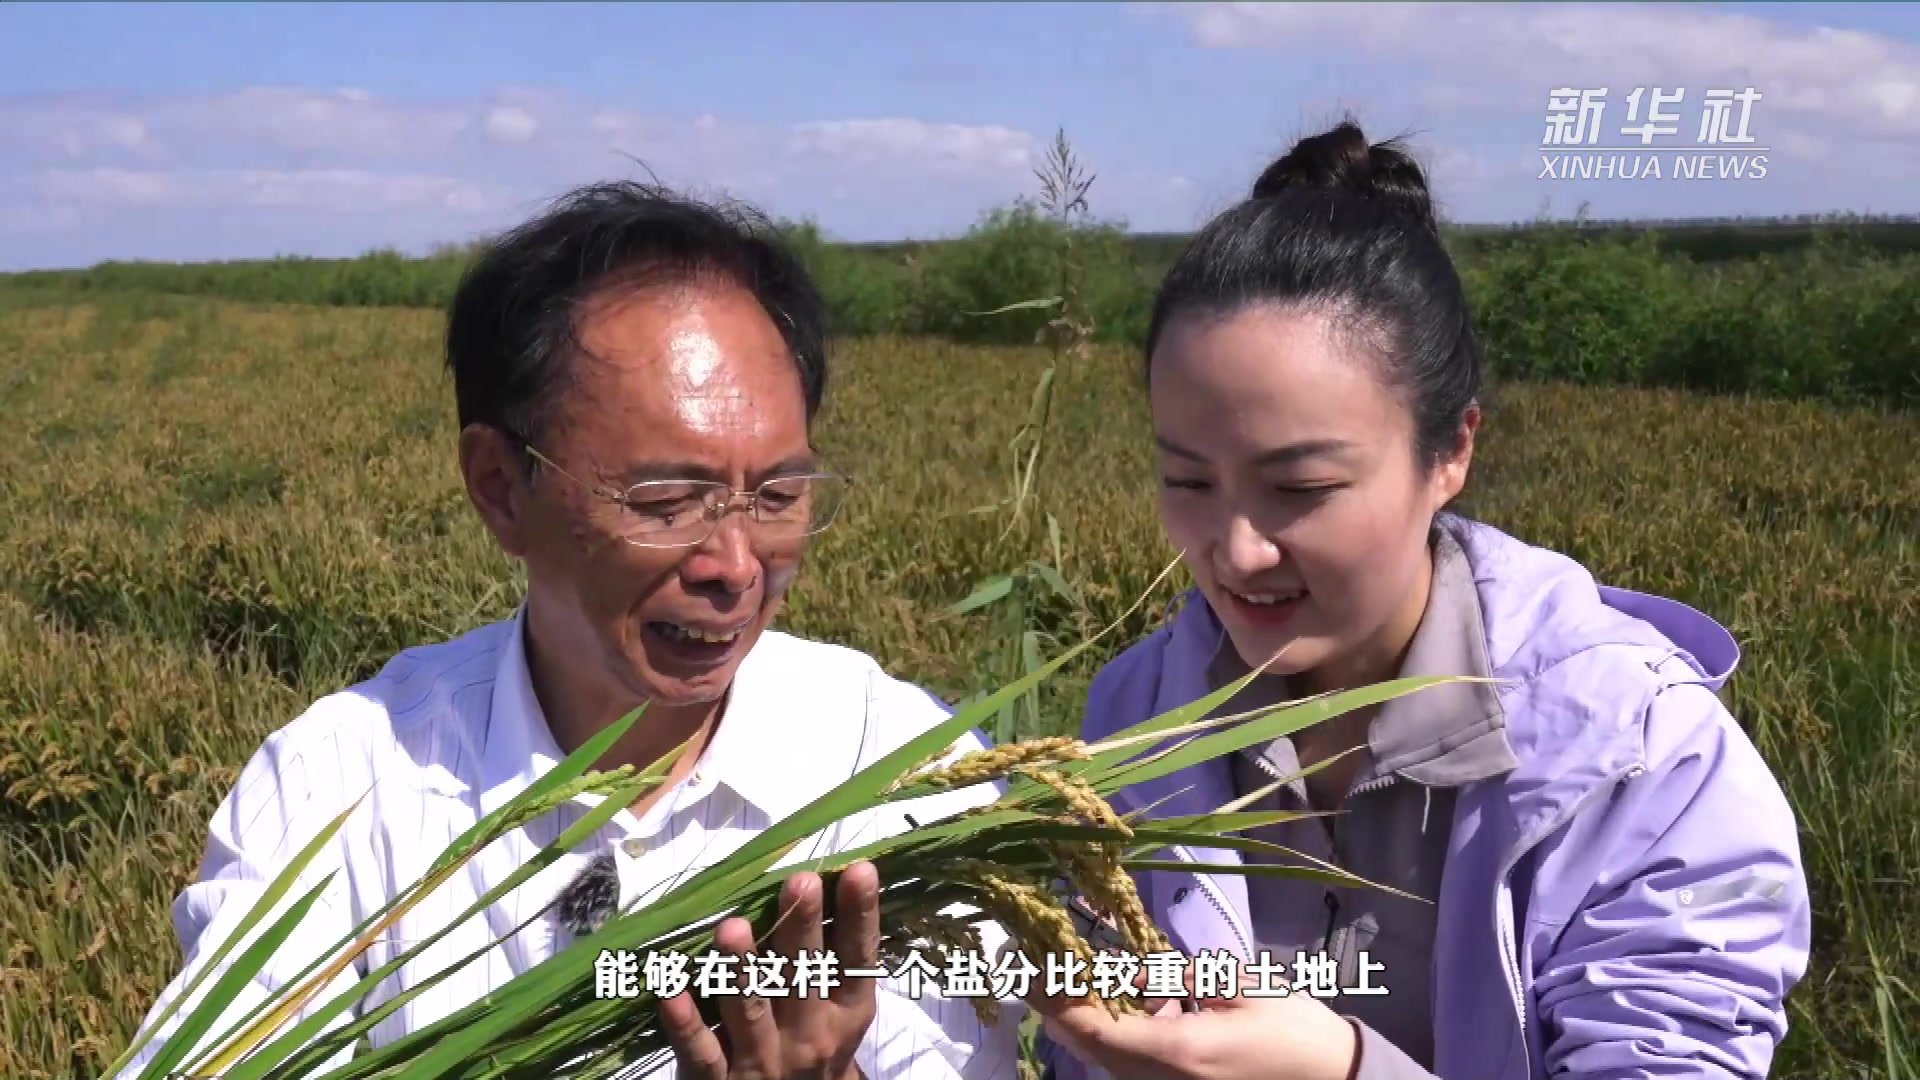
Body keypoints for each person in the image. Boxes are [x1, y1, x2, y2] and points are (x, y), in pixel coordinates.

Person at [116, 181, 1023, 1080]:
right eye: (665, 502)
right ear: (500, 488)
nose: (736, 565)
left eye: (779, 496)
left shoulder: (899, 767)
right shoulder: (342, 789)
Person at [1029, 120, 1810, 1080]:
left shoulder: (1636, 752)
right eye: (1188, 482)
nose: (1236, 549)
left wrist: (1348, 1071)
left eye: (1302, 488)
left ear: (1451, 452)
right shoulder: (1137, 713)